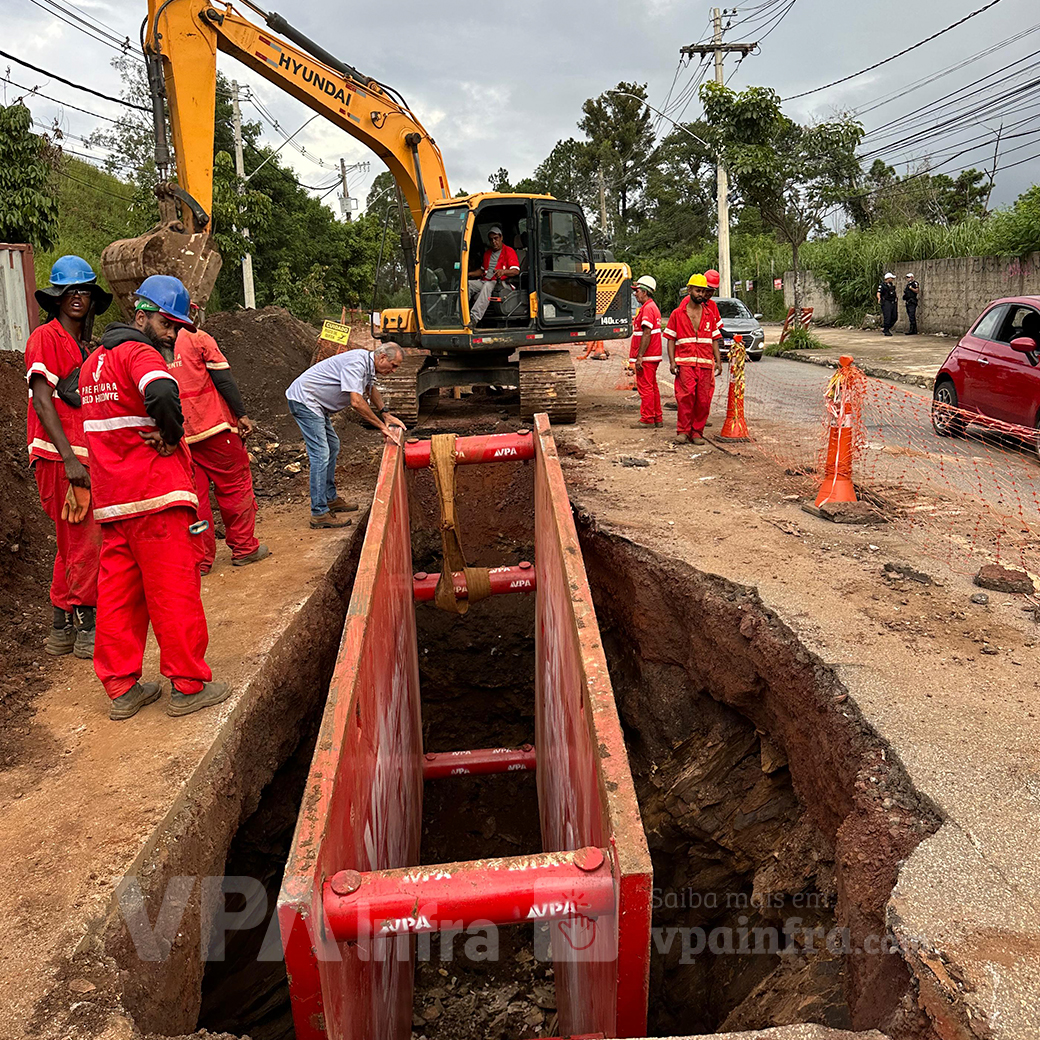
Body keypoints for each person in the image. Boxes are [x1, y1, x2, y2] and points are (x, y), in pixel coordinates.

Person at [79, 275, 228, 721]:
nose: (173, 335)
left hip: (114, 502)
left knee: (119, 597)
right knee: (174, 591)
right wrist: (171, 432)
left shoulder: (93, 365)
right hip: (156, 498)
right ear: (141, 315)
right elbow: (161, 391)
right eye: (167, 324)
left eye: (178, 327)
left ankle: (122, 688)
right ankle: (187, 684)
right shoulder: (139, 353)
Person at [26, 255, 109, 659]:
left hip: (73, 456)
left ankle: (61, 624)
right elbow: (42, 401)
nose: (77, 297)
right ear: (56, 298)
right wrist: (73, 463)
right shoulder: (47, 337)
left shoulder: (81, 344)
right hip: (61, 459)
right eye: (69, 291)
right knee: (86, 539)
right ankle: (88, 623)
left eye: (84, 291)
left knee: (70, 538)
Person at [169, 306, 269, 574]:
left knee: (196, 501)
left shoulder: (152, 347)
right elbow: (224, 380)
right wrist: (242, 415)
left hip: (180, 436)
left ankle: (200, 560)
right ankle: (244, 548)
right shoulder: (198, 338)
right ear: (188, 311)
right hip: (214, 429)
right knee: (234, 487)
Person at [285, 345, 406, 528]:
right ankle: (319, 513)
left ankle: (330, 498)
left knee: (332, 446)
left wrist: (385, 413)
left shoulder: (368, 365)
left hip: (317, 404)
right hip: (305, 400)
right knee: (321, 454)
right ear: (382, 357)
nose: (394, 370)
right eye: (393, 365)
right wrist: (382, 426)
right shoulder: (356, 363)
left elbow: (370, 389)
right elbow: (356, 402)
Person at [665, 274, 723, 446]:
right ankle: (683, 431)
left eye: (703, 291)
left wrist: (718, 361)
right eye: (697, 290)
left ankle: (697, 432)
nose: (700, 294)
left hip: (705, 364)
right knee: (685, 398)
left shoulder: (709, 314)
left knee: (703, 400)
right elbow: (670, 339)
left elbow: (714, 339)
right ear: (689, 290)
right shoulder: (677, 314)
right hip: (685, 363)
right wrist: (672, 361)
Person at [467, 226, 520, 324]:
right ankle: (460, 314)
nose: (494, 242)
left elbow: (516, 271)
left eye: (496, 238)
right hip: (485, 281)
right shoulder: (487, 253)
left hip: (502, 283)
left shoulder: (509, 251)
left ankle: (474, 317)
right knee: (467, 284)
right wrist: (469, 274)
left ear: (501, 238)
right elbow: (482, 271)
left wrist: (503, 272)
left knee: (487, 285)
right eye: (491, 240)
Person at [630, 276, 663, 428]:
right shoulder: (651, 307)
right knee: (652, 386)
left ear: (644, 292)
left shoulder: (648, 308)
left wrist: (640, 356)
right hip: (651, 355)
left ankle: (648, 418)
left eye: (637, 291)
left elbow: (647, 333)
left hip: (647, 356)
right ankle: (657, 417)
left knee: (645, 387)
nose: (635, 294)